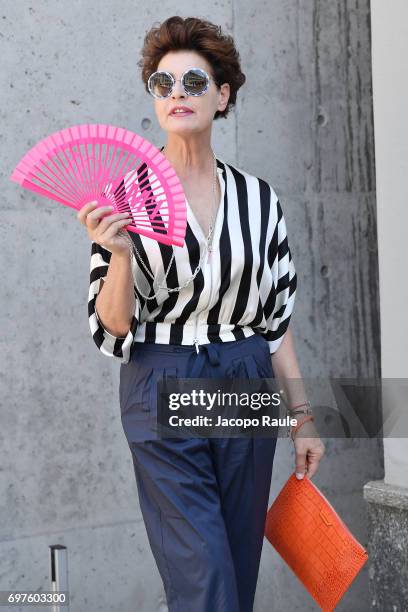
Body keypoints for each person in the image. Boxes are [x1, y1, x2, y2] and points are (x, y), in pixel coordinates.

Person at [77, 16, 325, 612]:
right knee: (205, 574)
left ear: (223, 95)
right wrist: (117, 256)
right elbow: (110, 327)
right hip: (159, 377)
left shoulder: (259, 200)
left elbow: (275, 322)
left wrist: (302, 416)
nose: (177, 96)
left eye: (193, 82)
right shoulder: (124, 198)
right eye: (162, 85)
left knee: (237, 570)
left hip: (244, 380)